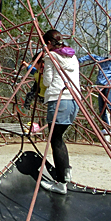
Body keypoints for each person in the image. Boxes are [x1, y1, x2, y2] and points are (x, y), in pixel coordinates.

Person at [41, 29, 81, 195]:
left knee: (55, 139)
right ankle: (66, 172)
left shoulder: (51, 56)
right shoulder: (72, 56)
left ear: (49, 43)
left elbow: (47, 81)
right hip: (74, 100)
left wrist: (42, 69)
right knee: (58, 138)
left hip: (59, 99)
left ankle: (61, 183)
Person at [78, 47, 111, 133]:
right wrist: (79, 60)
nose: (110, 54)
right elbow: (92, 56)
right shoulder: (103, 60)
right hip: (100, 86)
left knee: (109, 105)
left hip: (109, 86)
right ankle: (106, 127)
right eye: (110, 52)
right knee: (102, 107)